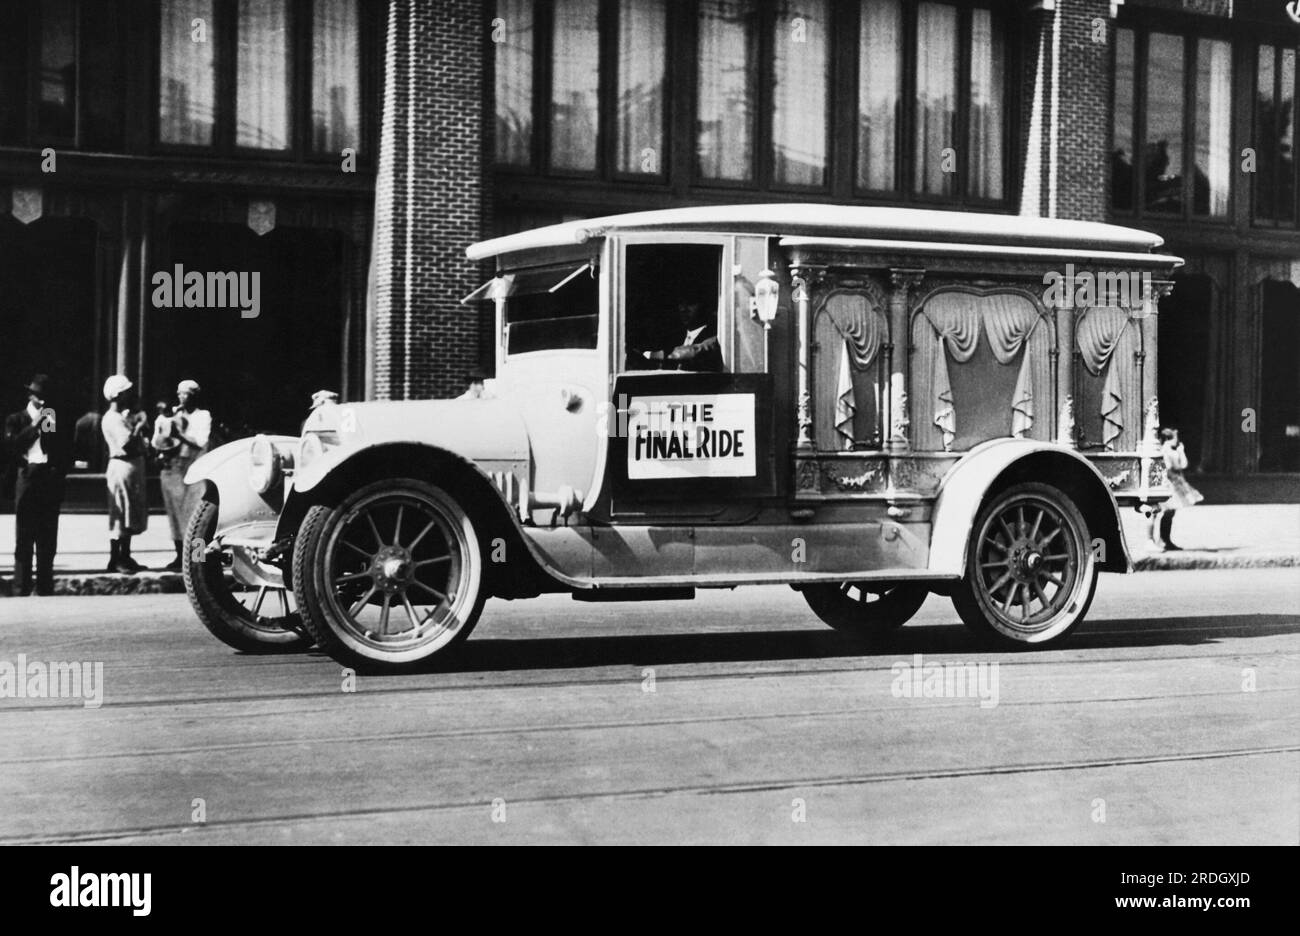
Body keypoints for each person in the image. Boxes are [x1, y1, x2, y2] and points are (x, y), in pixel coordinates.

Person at [3, 375, 67, 596]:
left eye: (45, 397)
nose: (42, 401)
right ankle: (21, 586)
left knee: (47, 533)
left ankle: (44, 585)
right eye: (39, 396)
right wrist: (34, 425)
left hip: (47, 475)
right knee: (24, 534)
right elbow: (14, 444)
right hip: (27, 474)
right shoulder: (16, 419)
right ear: (30, 396)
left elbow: (57, 446)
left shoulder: (51, 417)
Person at [153, 379, 212, 572]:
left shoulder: (203, 416)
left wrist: (179, 435)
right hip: (174, 468)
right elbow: (159, 441)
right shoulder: (173, 416)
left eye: (185, 393)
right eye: (179, 393)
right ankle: (180, 557)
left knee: (196, 516)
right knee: (176, 514)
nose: (181, 397)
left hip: (194, 467)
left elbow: (201, 442)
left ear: (194, 396)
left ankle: (198, 557)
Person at [101, 375, 149, 574]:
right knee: (121, 511)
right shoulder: (112, 418)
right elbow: (127, 442)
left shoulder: (122, 416)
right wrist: (138, 425)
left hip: (132, 466)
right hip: (122, 465)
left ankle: (125, 555)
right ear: (118, 395)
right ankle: (117, 557)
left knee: (130, 511)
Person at [1147, 426, 1203, 552]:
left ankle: (1165, 540)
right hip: (1168, 485)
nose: (1177, 440)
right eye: (1175, 438)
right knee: (1159, 512)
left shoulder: (1169, 450)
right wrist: (1181, 452)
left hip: (1172, 484)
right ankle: (1155, 540)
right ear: (1169, 438)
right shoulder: (1168, 450)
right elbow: (1178, 466)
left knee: (1169, 512)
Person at [634, 298, 723, 372]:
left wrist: (651, 354)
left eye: (690, 304)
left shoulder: (716, 336)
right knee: (623, 392)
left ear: (705, 307)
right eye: (681, 304)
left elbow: (693, 353)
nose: (683, 309)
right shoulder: (673, 338)